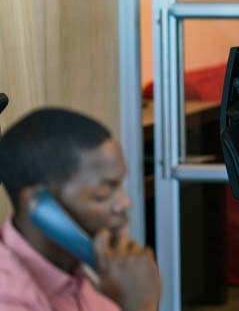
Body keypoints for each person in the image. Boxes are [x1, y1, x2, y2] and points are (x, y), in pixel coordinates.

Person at [0, 108, 161, 311]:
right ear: (38, 204)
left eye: (119, 186)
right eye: (103, 193)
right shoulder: (8, 298)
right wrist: (141, 305)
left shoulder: (94, 270)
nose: (125, 202)